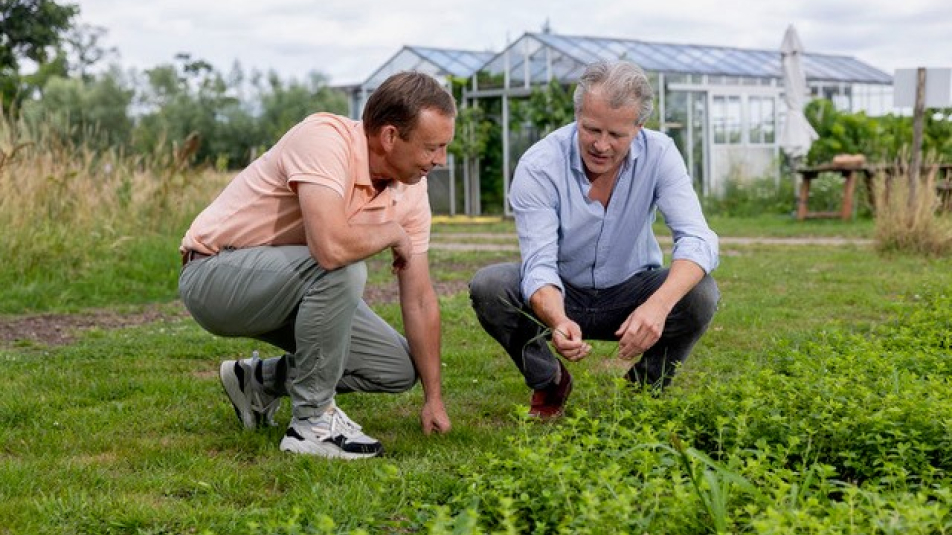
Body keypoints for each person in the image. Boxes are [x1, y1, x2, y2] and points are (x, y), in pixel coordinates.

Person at [178, 71, 455, 459]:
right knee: (342, 265)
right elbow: (329, 249)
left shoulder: (412, 189)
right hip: (213, 276)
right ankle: (311, 424)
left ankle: (257, 381)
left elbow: (421, 299)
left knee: (396, 369)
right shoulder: (324, 139)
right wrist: (391, 232)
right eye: (432, 148)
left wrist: (434, 399)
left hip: (291, 286)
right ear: (391, 136)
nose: (440, 160)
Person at [469, 60, 720, 419]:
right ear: (578, 115)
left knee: (701, 293)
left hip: (631, 292)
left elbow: (698, 238)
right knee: (491, 285)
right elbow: (539, 264)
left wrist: (658, 306)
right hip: (562, 291)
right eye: (591, 129)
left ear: (639, 127)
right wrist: (556, 320)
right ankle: (549, 379)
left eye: (616, 135)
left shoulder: (660, 153)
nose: (601, 145)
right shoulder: (540, 165)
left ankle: (644, 391)